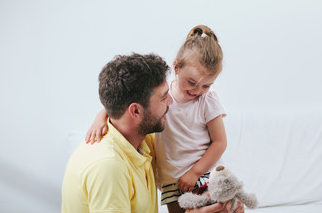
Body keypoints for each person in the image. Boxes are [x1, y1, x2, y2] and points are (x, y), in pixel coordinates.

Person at [86, 26, 235, 213]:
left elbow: (220, 142)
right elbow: (127, 101)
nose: (197, 90)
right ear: (177, 67)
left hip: (203, 174)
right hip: (171, 180)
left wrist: (195, 172)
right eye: (192, 82)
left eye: (206, 85)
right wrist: (101, 116)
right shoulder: (163, 96)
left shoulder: (207, 100)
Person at [62, 53, 172, 212]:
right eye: (164, 97)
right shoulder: (108, 166)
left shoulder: (142, 138)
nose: (171, 102)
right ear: (135, 111)